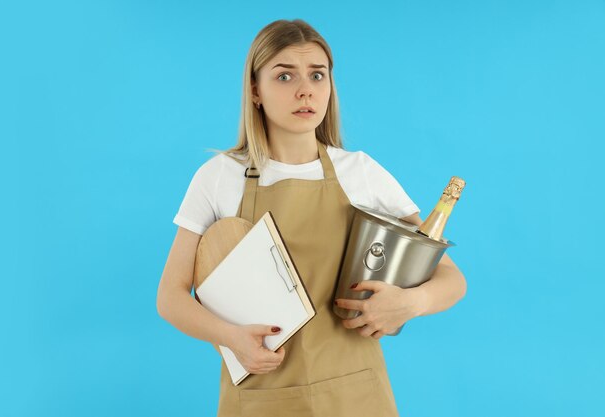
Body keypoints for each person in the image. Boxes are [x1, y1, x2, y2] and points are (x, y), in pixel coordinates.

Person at [156, 19, 467, 417]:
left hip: (356, 395)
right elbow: (170, 297)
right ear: (255, 90)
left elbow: (451, 278)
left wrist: (410, 303)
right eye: (284, 75)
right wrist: (230, 337)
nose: (305, 90)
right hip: (261, 396)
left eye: (317, 75)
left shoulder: (361, 172)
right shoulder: (219, 177)